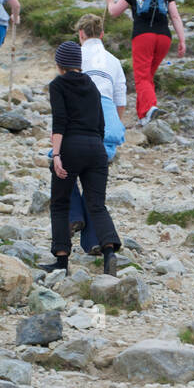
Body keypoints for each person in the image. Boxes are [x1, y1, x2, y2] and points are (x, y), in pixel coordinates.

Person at [43, 41, 122, 275]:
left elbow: (60, 121)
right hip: (97, 149)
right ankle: (109, 251)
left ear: (60, 65)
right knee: (97, 204)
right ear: (79, 64)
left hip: (71, 147)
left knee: (60, 202)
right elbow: (101, 124)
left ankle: (61, 259)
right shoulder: (93, 86)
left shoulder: (57, 85)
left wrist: (56, 154)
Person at [71, 13, 127, 255]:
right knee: (95, 187)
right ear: (102, 34)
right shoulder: (114, 61)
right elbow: (121, 101)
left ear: (80, 34)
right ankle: (94, 241)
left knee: (60, 163)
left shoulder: (76, 56)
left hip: (82, 117)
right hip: (109, 121)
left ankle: (74, 215)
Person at [106, 0, 186, 124]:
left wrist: (109, 0)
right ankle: (143, 115)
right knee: (148, 76)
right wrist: (182, 40)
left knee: (142, 76)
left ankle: (150, 109)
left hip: (143, 36)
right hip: (164, 37)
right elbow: (176, 17)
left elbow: (113, 12)